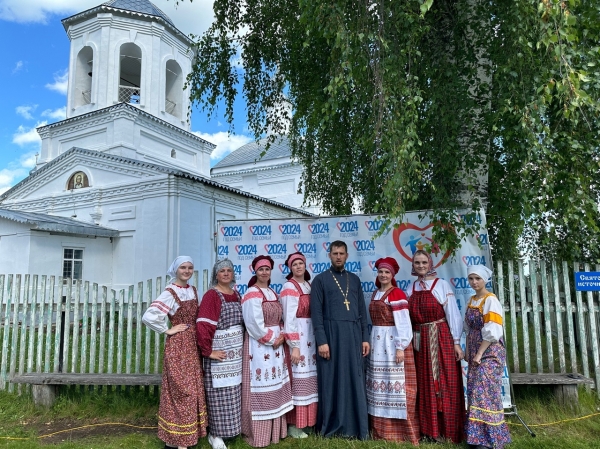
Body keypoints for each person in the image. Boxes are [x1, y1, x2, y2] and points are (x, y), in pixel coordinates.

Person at [142, 256, 207, 449]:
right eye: (183, 268)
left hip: (193, 345)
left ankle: (188, 436)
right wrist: (167, 329)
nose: (187, 271)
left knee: (193, 388)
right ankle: (177, 439)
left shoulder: (193, 291)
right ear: (176, 270)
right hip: (179, 346)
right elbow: (149, 316)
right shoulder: (170, 292)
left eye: (190, 268)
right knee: (181, 390)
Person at [310, 240, 370, 439]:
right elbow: (316, 314)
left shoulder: (354, 280)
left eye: (341, 253)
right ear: (329, 255)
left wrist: (365, 338)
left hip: (353, 335)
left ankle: (355, 427)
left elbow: (361, 310)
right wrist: (321, 341)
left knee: (354, 379)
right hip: (331, 335)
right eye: (334, 253)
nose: (338, 256)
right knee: (332, 380)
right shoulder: (320, 280)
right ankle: (333, 425)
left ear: (346, 255)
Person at [407, 249, 464, 443]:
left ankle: (449, 431)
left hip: (441, 339)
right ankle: (429, 431)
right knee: (425, 384)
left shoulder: (441, 285)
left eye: (424, 262)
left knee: (445, 382)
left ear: (430, 264)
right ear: (413, 265)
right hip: (420, 341)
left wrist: (456, 342)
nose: (421, 266)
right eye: (417, 263)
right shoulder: (411, 288)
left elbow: (453, 314)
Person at [241, 255, 293, 447]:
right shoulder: (251, 293)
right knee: (261, 385)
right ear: (255, 271)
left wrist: (281, 335)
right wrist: (272, 339)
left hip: (277, 347)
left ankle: (276, 431)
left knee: (276, 384)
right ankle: (259, 434)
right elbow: (253, 323)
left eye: (267, 269)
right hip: (259, 346)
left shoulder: (272, 292)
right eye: (261, 269)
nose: (264, 272)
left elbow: (279, 317)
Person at [366, 257, 420, 445]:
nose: (383, 275)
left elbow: (404, 324)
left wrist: (400, 347)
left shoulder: (396, 293)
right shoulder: (375, 294)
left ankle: (400, 433)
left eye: (387, 272)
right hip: (377, 341)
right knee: (379, 384)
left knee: (395, 386)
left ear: (393, 275)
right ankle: (380, 431)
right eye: (381, 271)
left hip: (392, 343)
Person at [196, 259, 244, 449]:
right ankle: (215, 434)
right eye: (222, 271)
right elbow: (203, 325)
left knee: (233, 394)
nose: (226, 274)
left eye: (229, 271)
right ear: (216, 275)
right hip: (219, 353)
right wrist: (208, 351)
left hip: (235, 355)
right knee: (218, 395)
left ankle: (232, 429)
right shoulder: (212, 295)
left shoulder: (236, 294)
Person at [464, 265, 511, 449]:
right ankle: (476, 437)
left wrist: (480, 353)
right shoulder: (472, 300)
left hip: (489, 351)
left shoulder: (490, 300)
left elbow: (493, 331)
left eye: (478, 279)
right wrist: (469, 351)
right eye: (471, 279)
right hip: (475, 349)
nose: (474, 282)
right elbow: (468, 330)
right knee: (475, 391)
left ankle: (490, 439)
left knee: (485, 392)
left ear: (485, 280)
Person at [280, 252, 318, 438]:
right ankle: (295, 424)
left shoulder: (308, 286)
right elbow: (289, 318)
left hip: (310, 336)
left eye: (301, 263)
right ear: (290, 268)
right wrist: (294, 345)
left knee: (310, 380)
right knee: (299, 379)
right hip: (299, 337)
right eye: (294, 264)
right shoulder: (289, 287)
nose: (298, 267)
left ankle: (309, 421)